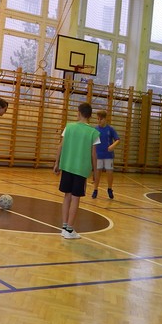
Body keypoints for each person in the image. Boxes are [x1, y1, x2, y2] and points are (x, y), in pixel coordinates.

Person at [53, 102, 100, 239]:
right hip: (81, 169)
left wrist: (56, 163)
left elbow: (60, 146)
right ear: (90, 116)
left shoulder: (69, 127)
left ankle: (64, 227)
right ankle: (69, 229)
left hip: (67, 166)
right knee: (75, 198)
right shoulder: (93, 132)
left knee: (66, 196)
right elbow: (94, 155)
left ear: (78, 113)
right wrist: (95, 172)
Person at [92, 109, 120, 199]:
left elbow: (118, 140)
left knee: (109, 172)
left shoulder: (110, 129)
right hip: (99, 155)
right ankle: (95, 189)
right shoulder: (95, 130)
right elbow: (93, 143)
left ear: (105, 119)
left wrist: (112, 146)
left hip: (108, 155)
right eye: (98, 119)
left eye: (101, 119)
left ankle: (110, 189)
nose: (99, 121)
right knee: (98, 173)